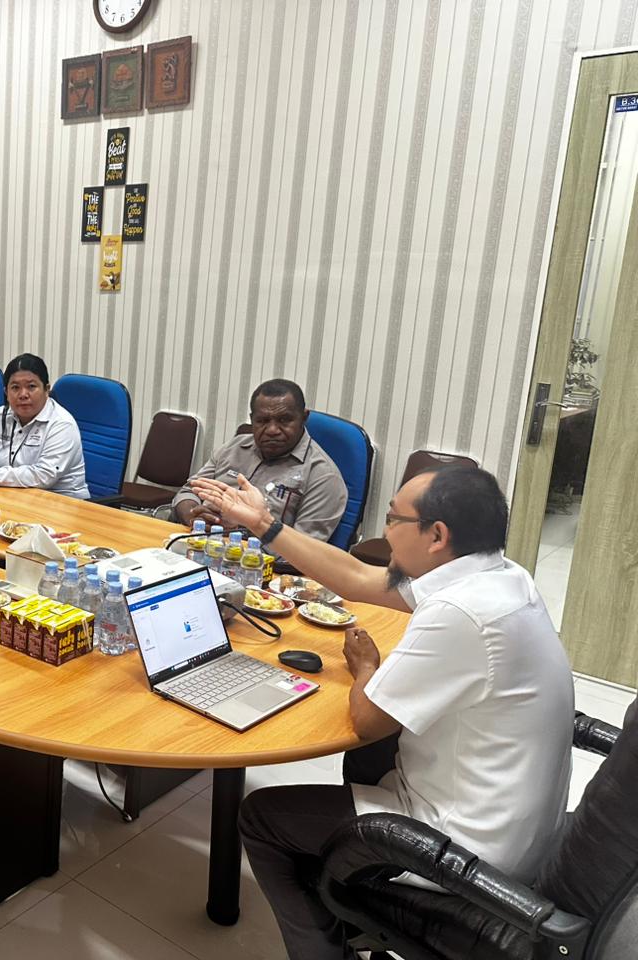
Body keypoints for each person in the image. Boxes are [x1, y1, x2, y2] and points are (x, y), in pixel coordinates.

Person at [193, 465, 574, 960]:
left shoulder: (458, 612)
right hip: (520, 825)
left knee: (262, 817)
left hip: (467, 846)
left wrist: (366, 668)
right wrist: (265, 525)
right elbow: (358, 579)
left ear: (437, 536)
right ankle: (343, 898)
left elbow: (368, 719)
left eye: (394, 518)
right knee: (368, 759)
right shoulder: (502, 577)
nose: (385, 530)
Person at [171, 379, 346, 540]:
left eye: (284, 420)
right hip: (198, 543)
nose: (272, 430)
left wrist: (239, 529)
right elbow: (188, 491)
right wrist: (193, 516)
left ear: (304, 418)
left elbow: (305, 550)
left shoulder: (323, 476)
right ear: (252, 419)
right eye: (262, 421)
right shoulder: (233, 448)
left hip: (256, 560)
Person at [0, 353, 89, 499]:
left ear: (46, 390)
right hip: (13, 496)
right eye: (15, 387)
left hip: (62, 503)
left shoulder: (62, 424)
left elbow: (43, 476)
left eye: (31, 387)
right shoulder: (0, 416)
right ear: (6, 393)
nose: (23, 394)